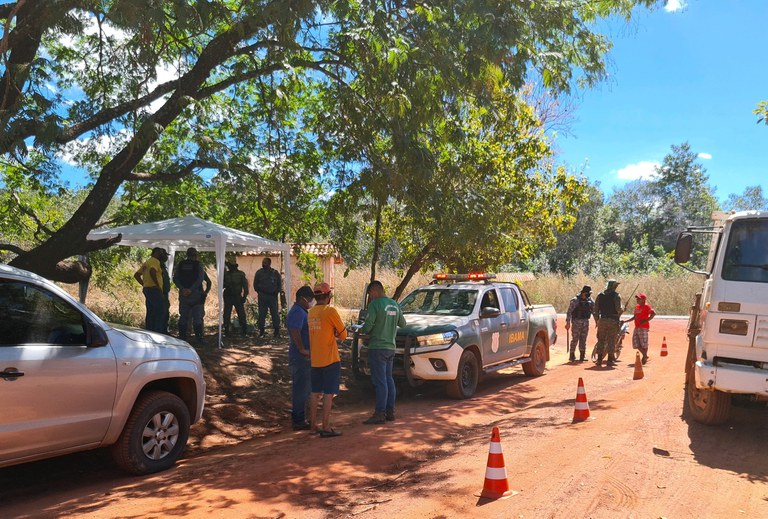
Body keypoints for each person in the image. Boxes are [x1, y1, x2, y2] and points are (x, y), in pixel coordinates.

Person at [361, 280, 406, 425]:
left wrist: (362, 328)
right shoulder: (394, 304)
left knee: (380, 381)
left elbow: (367, 327)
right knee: (388, 379)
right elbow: (403, 323)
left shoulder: (374, 305)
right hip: (390, 348)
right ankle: (390, 411)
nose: (370, 297)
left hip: (377, 347)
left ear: (374, 291)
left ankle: (379, 413)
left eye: (370, 294)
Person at [307, 282, 347, 437]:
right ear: (328, 296)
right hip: (330, 359)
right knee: (329, 393)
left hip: (315, 359)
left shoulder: (310, 313)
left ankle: (312, 426)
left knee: (314, 392)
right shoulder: (330, 311)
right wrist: (335, 333)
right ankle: (325, 426)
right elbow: (343, 335)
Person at [287, 285, 315, 430]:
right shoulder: (298, 312)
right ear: (302, 299)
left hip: (302, 357)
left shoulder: (301, 311)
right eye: (310, 299)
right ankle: (298, 419)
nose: (311, 302)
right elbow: (294, 330)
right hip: (300, 357)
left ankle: (300, 417)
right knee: (301, 390)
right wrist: (302, 349)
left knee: (304, 388)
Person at [173, 247, 207, 343]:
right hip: (195, 295)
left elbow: (175, 278)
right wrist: (191, 290)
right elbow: (200, 279)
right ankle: (199, 339)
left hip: (184, 295)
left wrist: (183, 289)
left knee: (183, 316)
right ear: (195, 255)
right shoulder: (198, 265)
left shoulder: (181, 264)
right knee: (197, 317)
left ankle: (182, 338)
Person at [133, 247, 167, 333]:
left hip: (147, 289)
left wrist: (144, 284)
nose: (162, 255)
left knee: (151, 311)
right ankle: (158, 332)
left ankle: (149, 331)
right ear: (156, 253)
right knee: (160, 310)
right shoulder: (155, 261)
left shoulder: (147, 262)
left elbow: (137, 275)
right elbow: (152, 271)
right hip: (154, 290)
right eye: (160, 253)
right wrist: (157, 285)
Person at [594, 279, 623, 367]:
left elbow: (595, 310)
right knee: (611, 340)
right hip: (613, 320)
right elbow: (618, 310)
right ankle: (610, 360)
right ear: (614, 286)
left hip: (602, 320)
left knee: (601, 340)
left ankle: (599, 359)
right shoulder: (616, 296)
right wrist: (623, 309)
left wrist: (597, 320)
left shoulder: (600, 295)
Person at [565, 285, 596, 362]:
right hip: (576, 322)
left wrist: (597, 321)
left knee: (583, 339)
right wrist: (568, 322)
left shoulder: (590, 300)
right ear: (583, 293)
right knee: (575, 339)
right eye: (587, 294)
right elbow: (569, 312)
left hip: (585, 322)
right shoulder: (575, 300)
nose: (588, 295)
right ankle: (572, 355)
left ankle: (582, 356)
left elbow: (594, 311)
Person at [253, 257, 282, 338]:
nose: (263, 264)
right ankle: (261, 332)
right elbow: (255, 284)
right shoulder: (259, 273)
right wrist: (260, 292)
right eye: (263, 262)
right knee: (262, 314)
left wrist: (276, 292)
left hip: (273, 296)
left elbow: (279, 284)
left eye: (265, 262)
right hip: (263, 296)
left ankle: (276, 331)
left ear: (269, 263)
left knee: (275, 314)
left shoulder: (275, 273)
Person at [223, 259, 249, 337]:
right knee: (227, 314)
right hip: (228, 295)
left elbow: (245, 286)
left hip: (237, 296)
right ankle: (226, 330)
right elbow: (222, 285)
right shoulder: (226, 274)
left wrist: (244, 296)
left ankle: (244, 330)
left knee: (241, 313)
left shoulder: (241, 274)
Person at [629, 293, 656, 364]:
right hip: (637, 327)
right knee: (635, 344)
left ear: (643, 299)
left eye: (639, 298)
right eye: (637, 298)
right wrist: (626, 321)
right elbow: (634, 317)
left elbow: (653, 313)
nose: (637, 300)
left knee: (644, 343)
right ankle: (645, 355)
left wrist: (646, 320)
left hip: (643, 327)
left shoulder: (647, 306)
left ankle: (644, 357)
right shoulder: (637, 307)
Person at [160, 250, 171, 334]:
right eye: (165, 255)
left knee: (165, 313)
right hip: (161, 293)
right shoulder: (158, 265)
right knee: (162, 314)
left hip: (164, 293)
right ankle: (162, 332)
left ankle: (164, 330)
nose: (166, 257)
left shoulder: (163, 266)